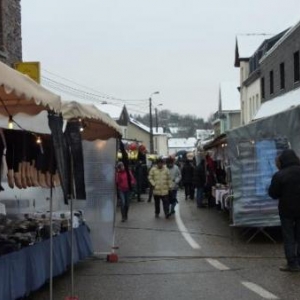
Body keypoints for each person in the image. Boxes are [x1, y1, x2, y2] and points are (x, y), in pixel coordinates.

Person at [268, 149, 300, 272]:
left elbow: (273, 194)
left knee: (289, 236)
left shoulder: (279, 175)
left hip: (286, 210)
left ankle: (292, 263)